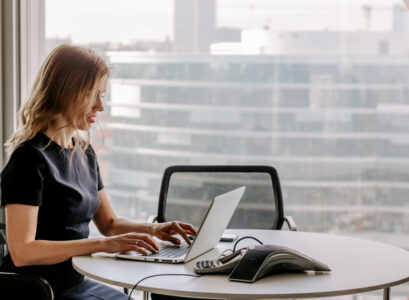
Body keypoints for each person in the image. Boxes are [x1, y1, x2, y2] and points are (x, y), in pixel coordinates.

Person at [0, 44, 197, 300]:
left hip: (75, 284)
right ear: (66, 92)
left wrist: (154, 229)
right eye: (93, 94)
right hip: (39, 290)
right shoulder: (29, 159)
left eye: (102, 94)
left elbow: (109, 224)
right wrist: (104, 245)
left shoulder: (83, 152)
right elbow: (23, 252)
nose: (100, 106)